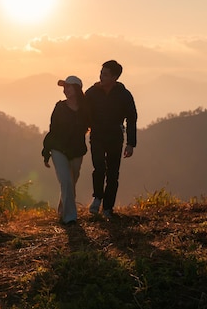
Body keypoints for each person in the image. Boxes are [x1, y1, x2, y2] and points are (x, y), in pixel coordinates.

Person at [85, 60, 137, 218]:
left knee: (113, 174)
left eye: (105, 74)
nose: (101, 76)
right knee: (99, 168)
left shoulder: (124, 95)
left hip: (115, 136)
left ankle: (108, 208)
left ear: (115, 77)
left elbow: (132, 118)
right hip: (97, 136)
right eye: (101, 73)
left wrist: (130, 144)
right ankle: (97, 198)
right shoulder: (91, 93)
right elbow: (83, 114)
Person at [42, 75, 90, 225]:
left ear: (77, 89)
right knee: (66, 182)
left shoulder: (85, 109)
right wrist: (46, 151)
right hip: (58, 149)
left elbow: (91, 124)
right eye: (64, 87)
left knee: (71, 182)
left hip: (77, 151)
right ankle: (70, 218)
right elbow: (53, 129)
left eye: (68, 87)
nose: (65, 90)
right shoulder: (60, 107)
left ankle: (63, 209)